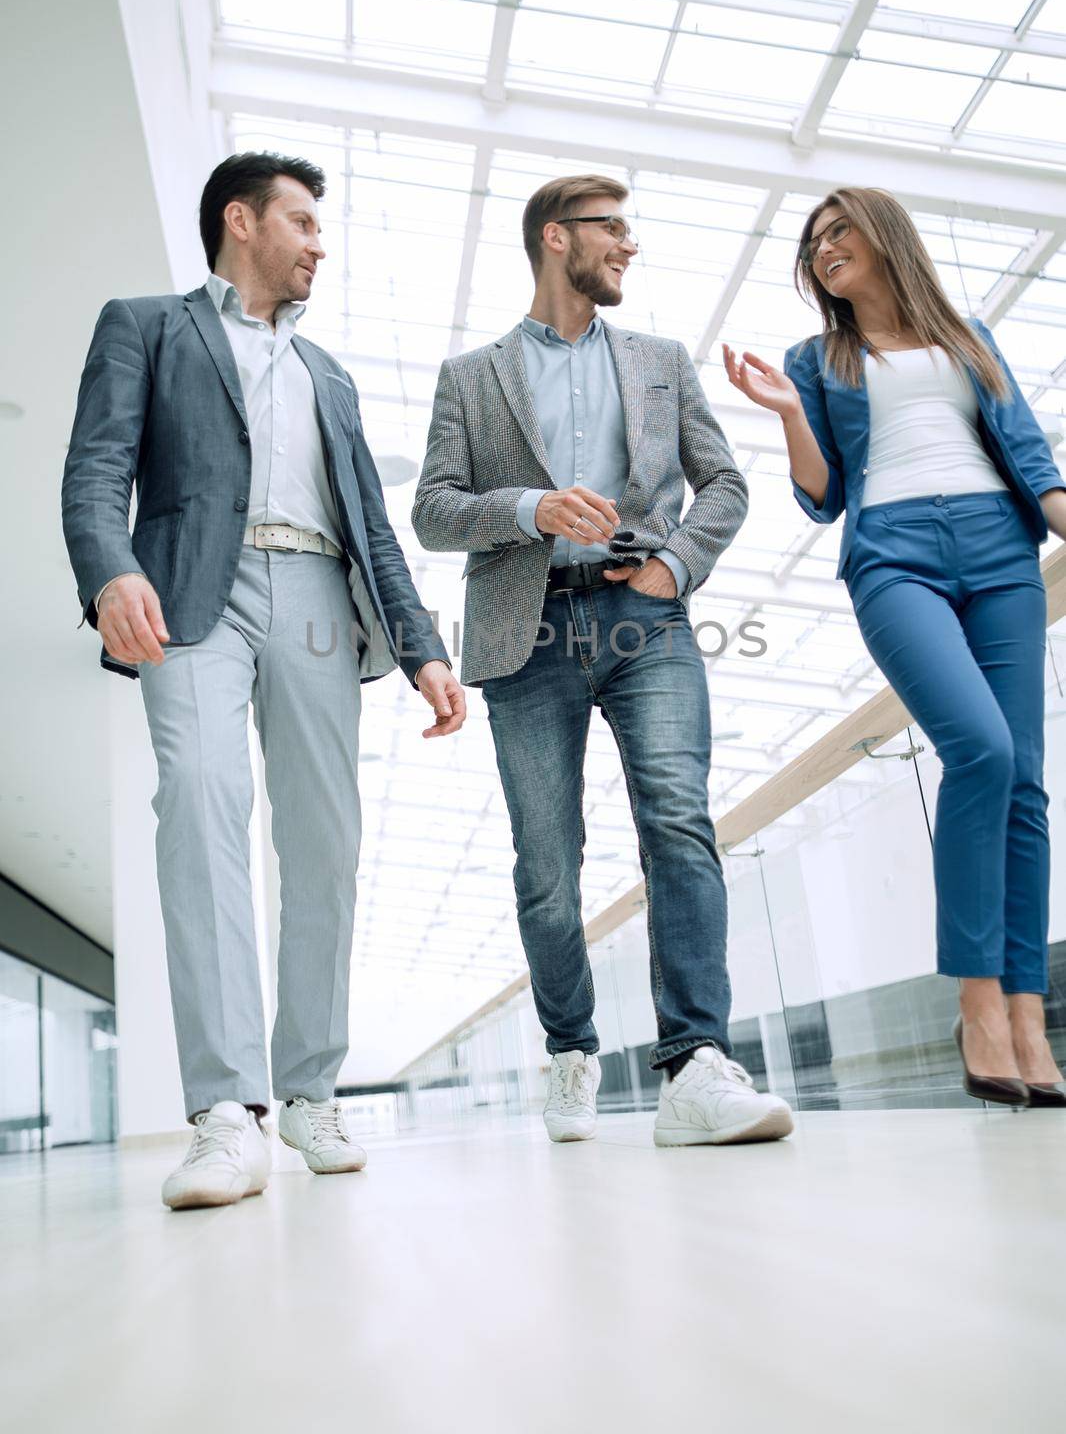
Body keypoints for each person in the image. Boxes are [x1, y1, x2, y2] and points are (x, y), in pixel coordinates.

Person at [62, 152, 465, 1208]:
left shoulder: (330, 372)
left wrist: (421, 645)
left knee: (324, 838)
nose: (318, 244)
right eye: (302, 224)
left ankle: (308, 1091)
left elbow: (372, 521)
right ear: (241, 222)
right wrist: (109, 567)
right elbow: (98, 466)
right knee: (199, 800)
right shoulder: (146, 324)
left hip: (323, 596)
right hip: (196, 590)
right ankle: (224, 1112)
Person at [413, 173, 794, 1147]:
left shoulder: (662, 360)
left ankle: (694, 1063)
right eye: (611, 229)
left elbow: (724, 484)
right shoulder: (472, 374)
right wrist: (525, 509)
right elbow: (433, 509)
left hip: (644, 622)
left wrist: (675, 563)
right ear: (555, 238)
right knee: (547, 867)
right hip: (524, 633)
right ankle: (570, 1047)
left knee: (677, 820)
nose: (627, 245)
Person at [724, 185, 1066, 1108]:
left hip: (1001, 549)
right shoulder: (817, 357)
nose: (825, 248)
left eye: (840, 231)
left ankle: (1030, 1019)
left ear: (885, 237)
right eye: (814, 242)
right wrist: (788, 411)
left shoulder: (968, 334)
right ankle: (980, 1002)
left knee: (1023, 781)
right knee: (980, 751)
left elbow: (1030, 454)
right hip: (894, 555)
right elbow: (823, 495)